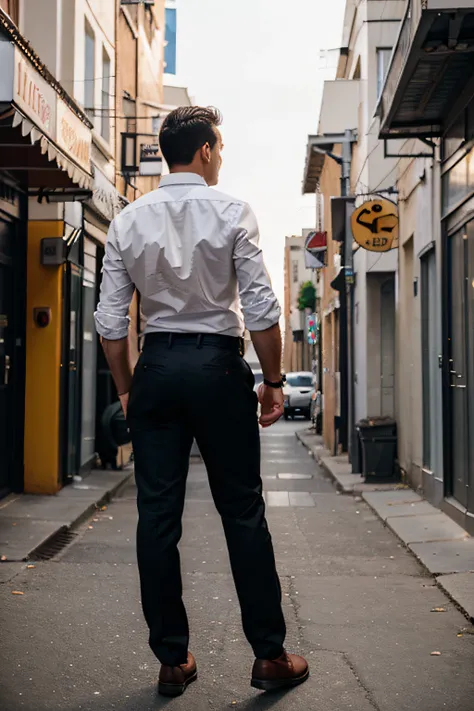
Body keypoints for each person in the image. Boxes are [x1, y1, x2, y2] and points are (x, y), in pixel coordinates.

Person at [94, 106, 309, 697]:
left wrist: (128, 389)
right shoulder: (233, 211)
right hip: (218, 366)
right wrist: (272, 380)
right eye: (222, 146)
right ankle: (269, 655)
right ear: (208, 149)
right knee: (242, 511)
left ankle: (172, 659)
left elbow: (112, 322)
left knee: (156, 516)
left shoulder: (128, 219)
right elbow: (264, 311)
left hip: (157, 366)